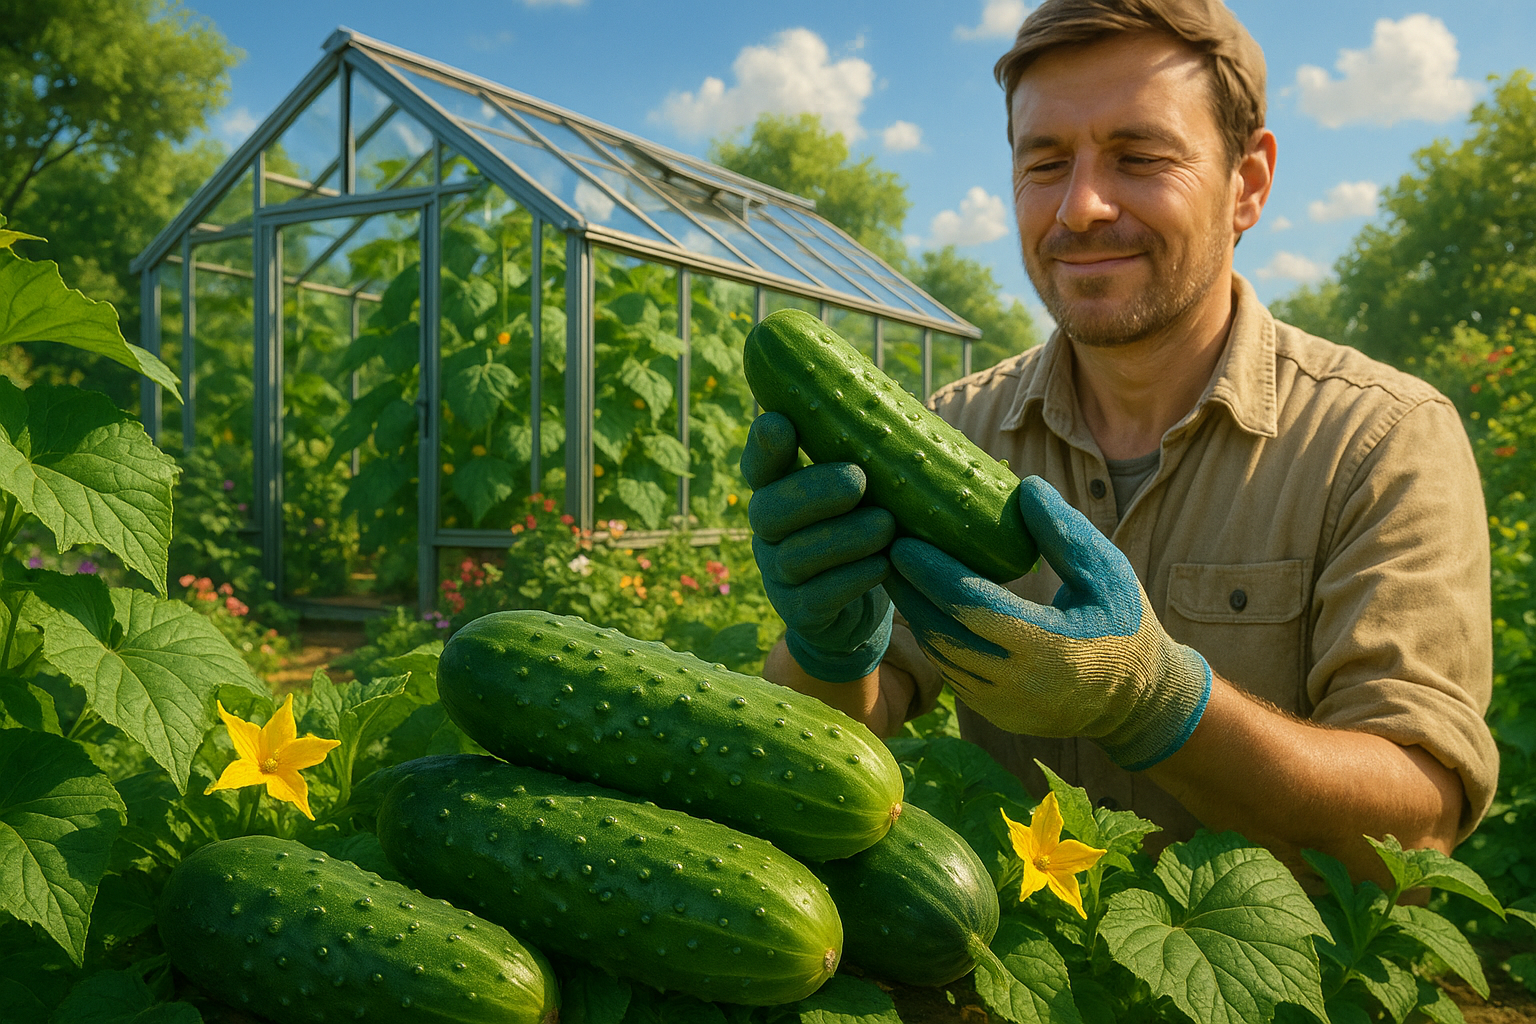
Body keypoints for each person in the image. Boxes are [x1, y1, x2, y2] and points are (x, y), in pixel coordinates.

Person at [742, 0, 1498, 885]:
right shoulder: (957, 427)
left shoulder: (1380, 439)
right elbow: (840, 743)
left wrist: (1159, 704)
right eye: (1045, 163)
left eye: (1139, 158)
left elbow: (1418, 825)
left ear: (1249, 183)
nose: (1082, 207)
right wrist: (829, 656)